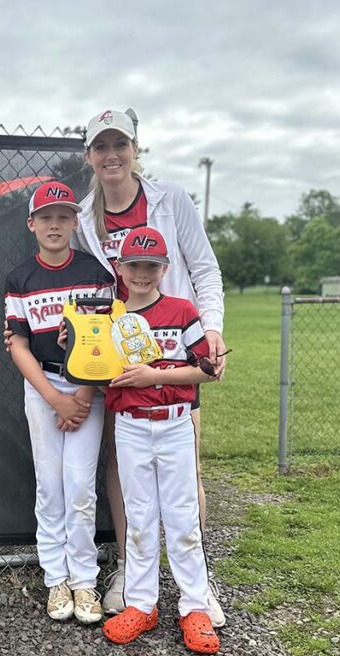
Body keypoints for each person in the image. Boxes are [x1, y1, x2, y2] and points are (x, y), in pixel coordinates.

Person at [75, 108, 227, 624]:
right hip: (118, 356)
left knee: (187, 467)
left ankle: (198, 587)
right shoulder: (81, 217)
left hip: (176, 349)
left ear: (136, 148)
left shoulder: (172, 199)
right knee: (123, 464)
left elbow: (204, 266)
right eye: (101, 146)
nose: (111, 154)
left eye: (120, 144)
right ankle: (131, 572)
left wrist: (212, 330)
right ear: (89, 155)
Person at [100, 226, 220, 653]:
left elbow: (207, 368)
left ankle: (194, 607)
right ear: (121, 267)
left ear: (164, 268)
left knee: (183, 517)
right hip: (131, 424)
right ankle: (142, 603)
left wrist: (156, 374)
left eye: (151, 266)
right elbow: (92, 366)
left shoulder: (181, 310)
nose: (142, 274)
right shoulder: (111, 317)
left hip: (173, 423)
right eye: (134, 266)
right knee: (140, 516)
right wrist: (73, 340)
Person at [4, 181, 114, 625]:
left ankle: (84, 578)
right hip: (43, 386)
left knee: (81, 487)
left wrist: (82, 396)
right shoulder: (19, 278)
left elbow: (104, 340)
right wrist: (54, 398)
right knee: (50, 485)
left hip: (89, 388)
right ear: (31, 224)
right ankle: (56, 579)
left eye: (63, 216)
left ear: (75, 222)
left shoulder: (95, 273)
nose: (55, 224)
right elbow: (18, 345)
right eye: (46, 217)